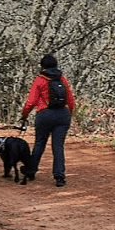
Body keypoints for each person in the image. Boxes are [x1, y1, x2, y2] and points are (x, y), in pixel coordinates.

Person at [19, 54, 75, 187]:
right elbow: (70, 100)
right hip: (63, 114)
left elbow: (31, 101)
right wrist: (68, 114)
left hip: (45, 114)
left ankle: (31, 171)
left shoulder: (40, 79)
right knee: (58, 146)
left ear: (43, 66)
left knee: (39, 143)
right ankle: (59, 176)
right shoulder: (62, 78)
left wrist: (24, 115)